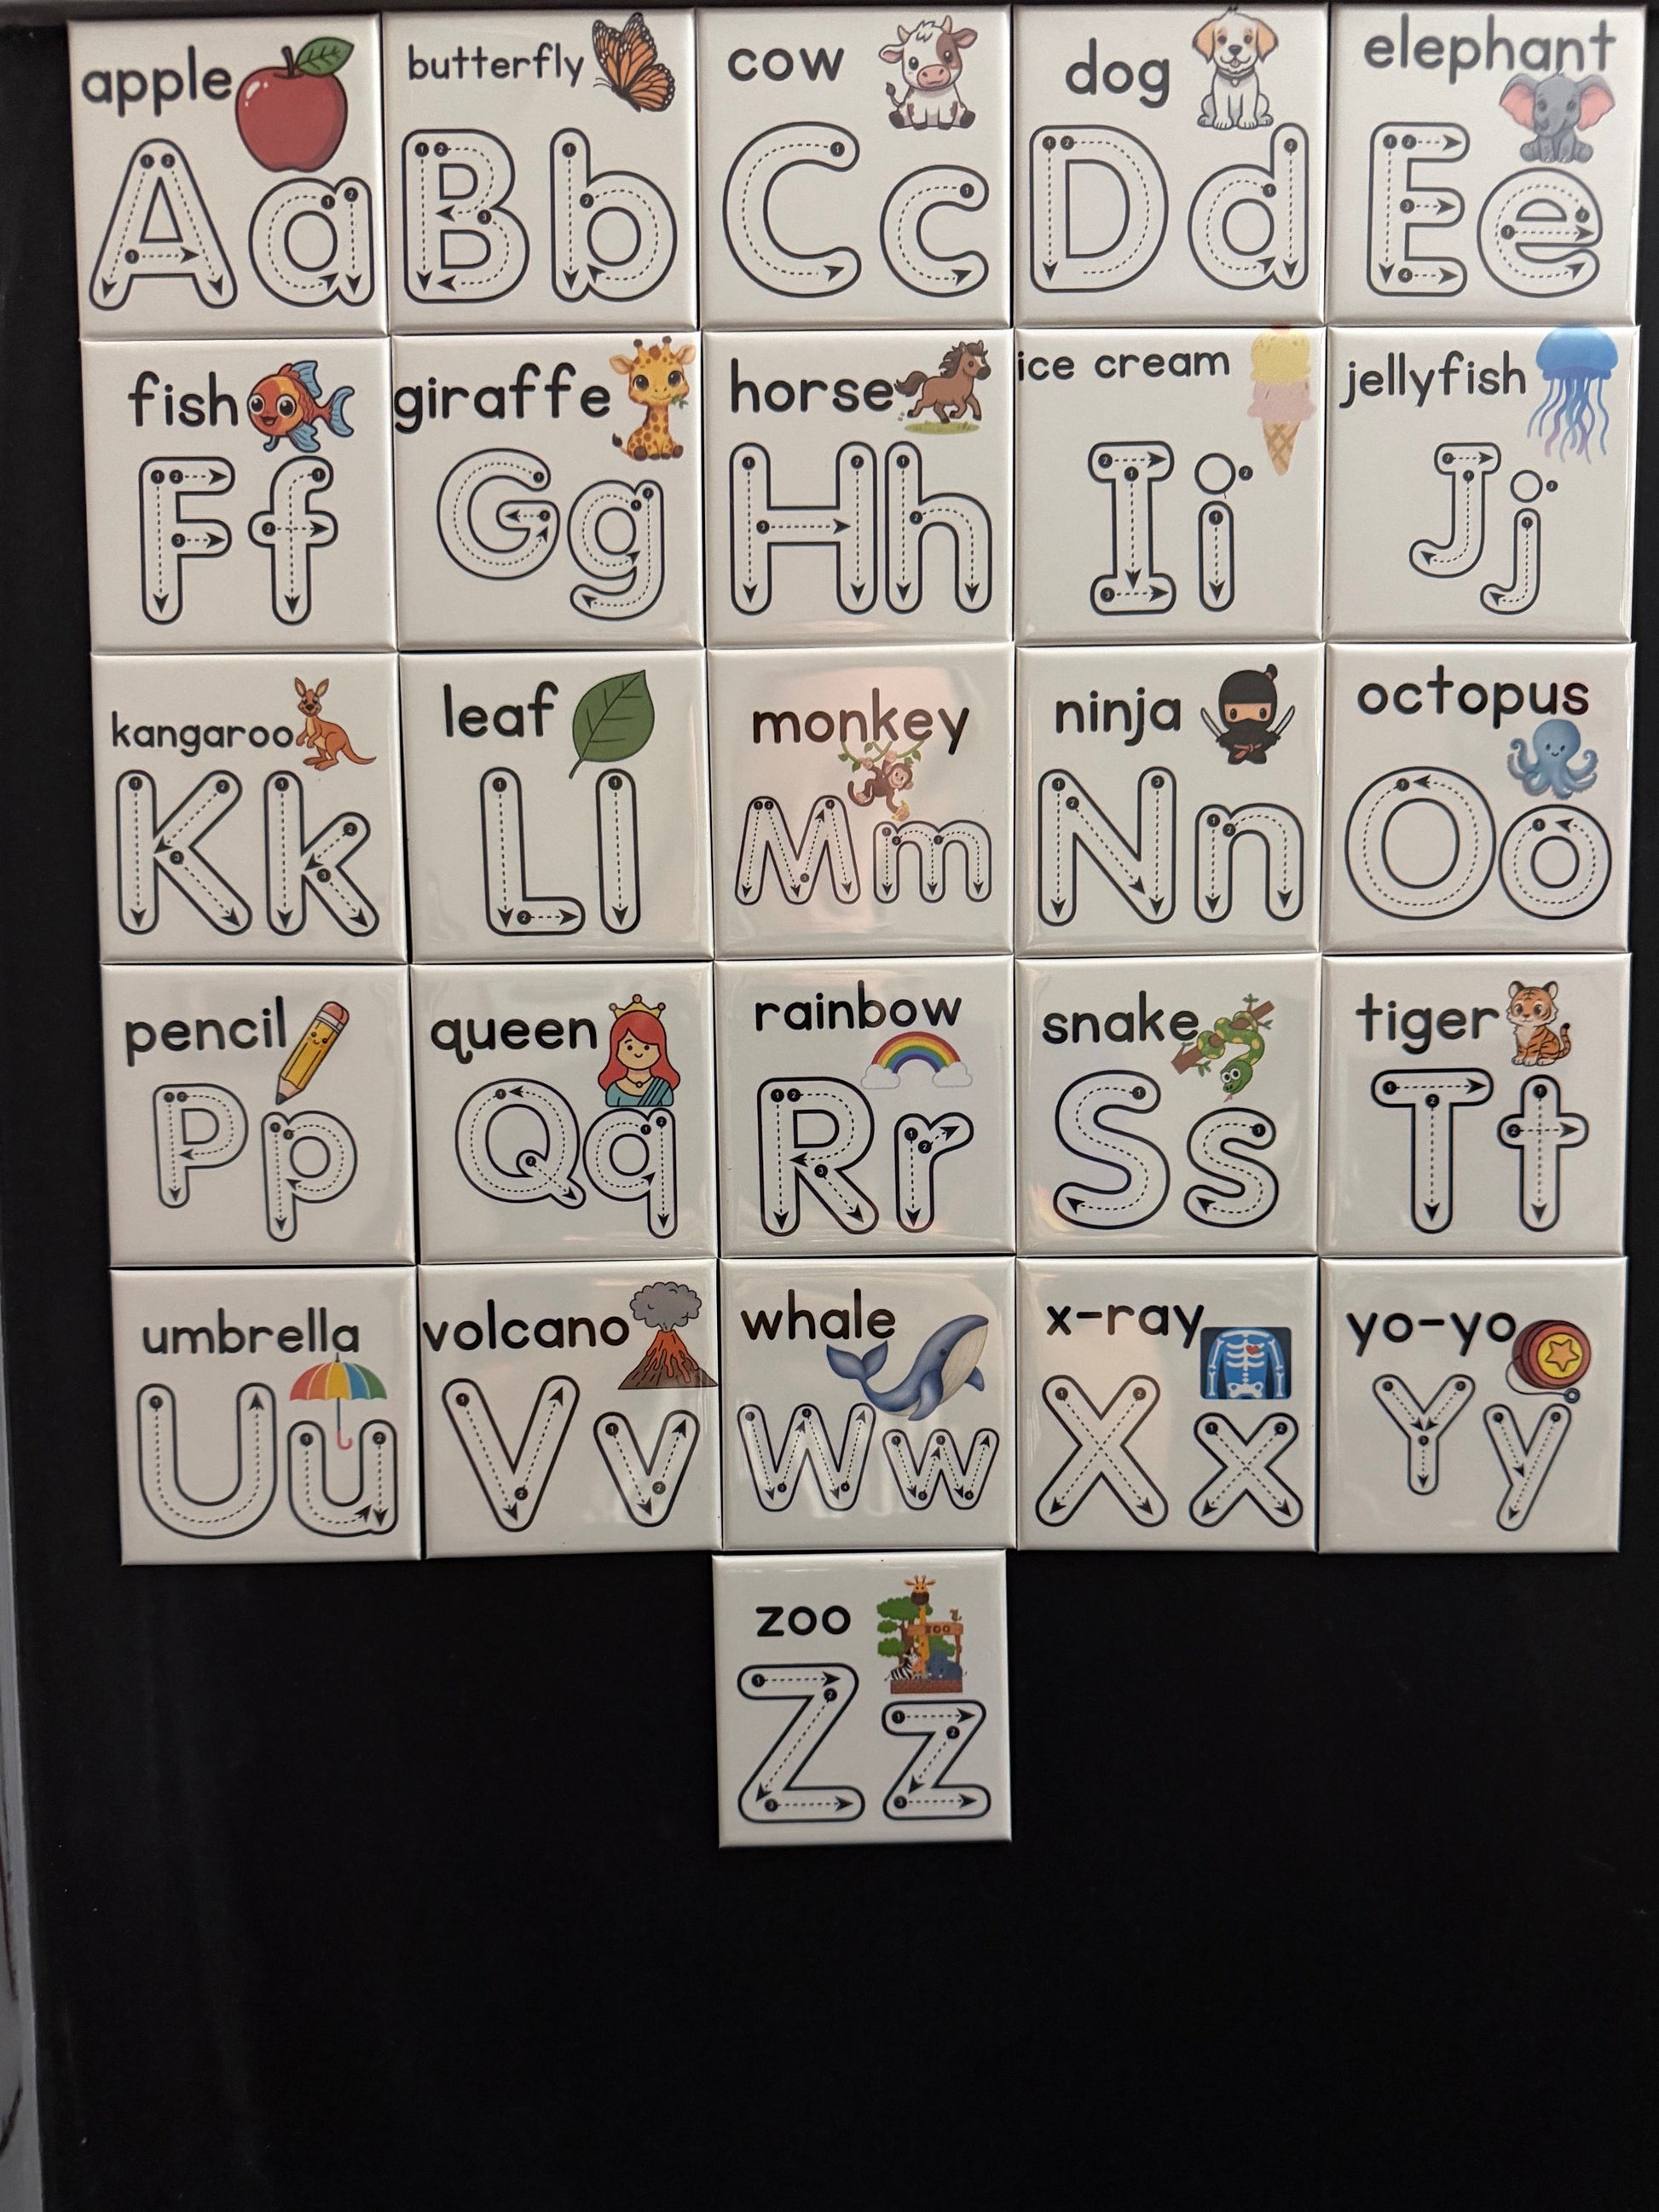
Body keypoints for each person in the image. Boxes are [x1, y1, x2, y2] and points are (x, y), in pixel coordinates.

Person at [598, 996, 679, 1112]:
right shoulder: (614, 1090)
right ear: (616, 1049)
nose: (638, 1053)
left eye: (647, 1047)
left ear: (660, 1049)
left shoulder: (663, 1088)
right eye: (629, 1047)